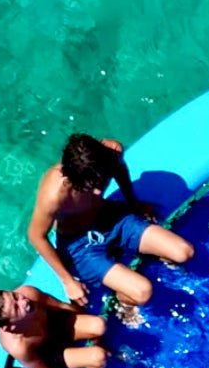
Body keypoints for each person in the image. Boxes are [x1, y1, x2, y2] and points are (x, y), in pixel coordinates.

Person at [27, 133, 194, 314]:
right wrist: (67, 281)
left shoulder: (110, 153)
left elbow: (120, 170)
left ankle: (138, 254)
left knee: (184, 253)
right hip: (81, 246)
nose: (98, 191)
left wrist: (133, 203)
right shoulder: (54, 194)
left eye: (100, 181)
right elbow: (36, 236)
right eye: (88, 186)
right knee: (143, 292)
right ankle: (122, 304)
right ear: (70, 177)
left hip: (110, 218)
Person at [0, 285, 107, 368]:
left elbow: (63, 307)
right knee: (98, 357)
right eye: (16, 308)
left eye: (15, 296)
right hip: (50, 353)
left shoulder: (29, 293)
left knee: (99, 325)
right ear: (10, 327)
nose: (23, 301)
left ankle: (95, 349)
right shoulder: (18, 346)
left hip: (56, 326)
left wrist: (86, 319)